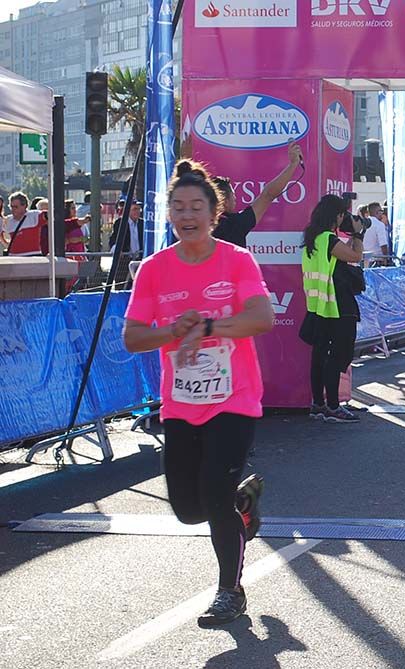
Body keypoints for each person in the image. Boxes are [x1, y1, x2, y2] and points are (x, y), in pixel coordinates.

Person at [123, 159, 273, 627]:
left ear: (214, 212)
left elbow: (261, 318)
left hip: (234, 399)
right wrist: (172, 330)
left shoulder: (236, 260)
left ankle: (230, 592)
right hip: (181, 403)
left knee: (214, 492)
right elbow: (132, 337)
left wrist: (207, 326)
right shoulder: (155, 269)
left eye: (196, 207)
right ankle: (243, 508)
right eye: (179, 207)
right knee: (189, 510)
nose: (187, 215)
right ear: (169, 213)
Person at [301, 194, 365, 423]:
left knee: (320, 355)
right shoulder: (329, 239)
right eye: (343, 215)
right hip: (338, 305)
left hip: (319, 306)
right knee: (338, 356)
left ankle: (319, 404)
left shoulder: (313, 238)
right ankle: (334, 407)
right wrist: (358, 233)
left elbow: (338, 259)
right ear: (337, 216)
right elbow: (355, 256)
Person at [212, 142, 304, 247]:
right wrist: (293, 164)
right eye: (233, 195)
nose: (235, 199)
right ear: (224, 200)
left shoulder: (202, 225)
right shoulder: (234, 224)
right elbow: (268, 195)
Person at [111, 200, 144, 287]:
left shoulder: (143, 223)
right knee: (121, 285)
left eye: (139, 209)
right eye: (135, 209)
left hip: (139, 259)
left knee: (139, 285)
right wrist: (117, 250)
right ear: (128, 210)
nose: (137, 212)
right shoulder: (120, 223)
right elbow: (113, 239)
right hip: (125, 260)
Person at [2, 191, 45, 256]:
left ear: (24, 206)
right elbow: (3, 235)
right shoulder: (8, 220)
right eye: (11, 207)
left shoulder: (34, 215)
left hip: (32, 256)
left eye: (16, 207)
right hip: (14, 257)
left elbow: (51, 215)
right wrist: (6, 244)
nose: (13, 209)